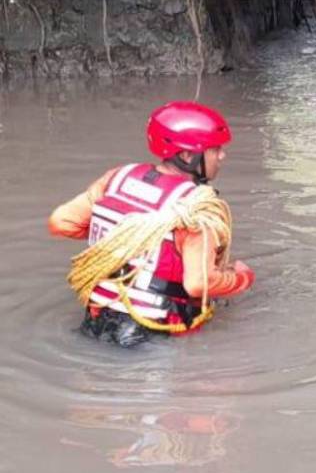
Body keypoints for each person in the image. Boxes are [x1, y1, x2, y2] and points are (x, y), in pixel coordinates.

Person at [48, 101, 255, 347]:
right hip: (153, 336)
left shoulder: (116, 177)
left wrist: (125, 240)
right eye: (214, 149)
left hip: (95, 322)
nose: (222, 155)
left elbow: (61, 222)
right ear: (187, 155)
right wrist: (242, 277)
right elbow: (198, 284)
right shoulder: (197, 209)